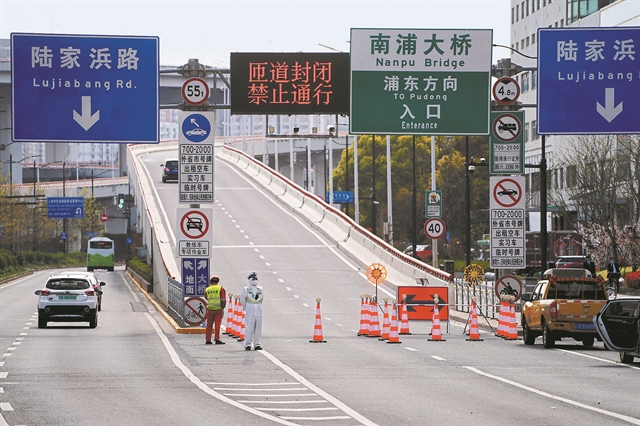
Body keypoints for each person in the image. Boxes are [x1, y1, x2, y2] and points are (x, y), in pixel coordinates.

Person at [241, 271, 263, 350]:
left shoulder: (260, 289)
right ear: (250, 280)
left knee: (258, 328)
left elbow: (261, 299)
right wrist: (247, 307)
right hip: (250, 310)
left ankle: (257, 344)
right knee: (249, 328)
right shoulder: (246, 289)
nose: (255, 280)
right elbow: (242, 300)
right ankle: (247, 344)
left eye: (256, 279)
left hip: (258, 310)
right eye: (253, 279)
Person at [204, 275, 226, 345]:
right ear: (218, 281)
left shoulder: (207, 289)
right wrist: (223, 307)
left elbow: (206, 297)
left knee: (209, 325)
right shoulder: (221, 288)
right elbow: (223, 299)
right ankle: (217, 339)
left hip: (210, 309)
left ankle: (208, 340)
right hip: (218, 309)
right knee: (217, 325)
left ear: (211, 282)